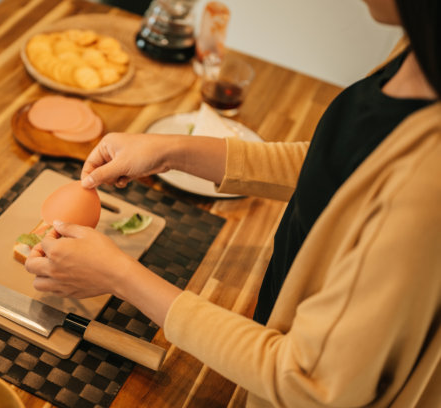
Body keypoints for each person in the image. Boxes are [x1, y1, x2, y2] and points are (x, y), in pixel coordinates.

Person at [25, 0, 441, 406]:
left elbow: (305, 381)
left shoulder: (428, 179)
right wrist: (172, 150)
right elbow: (337, 166)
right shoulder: (419, 50)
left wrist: (120, 277)